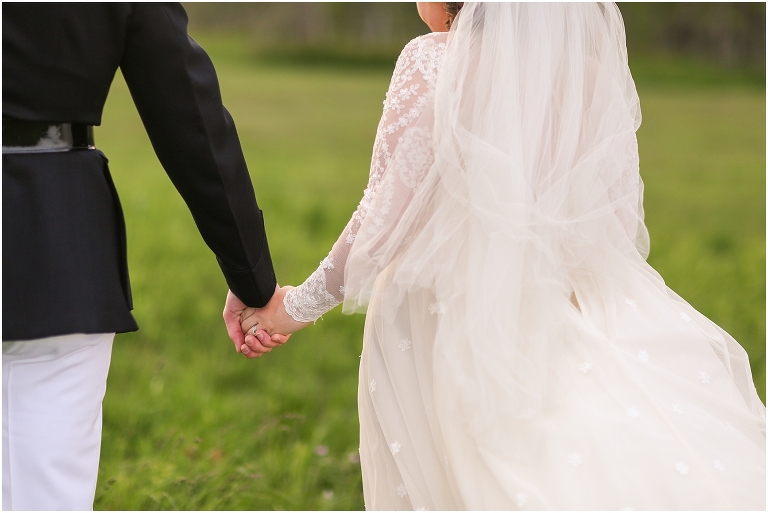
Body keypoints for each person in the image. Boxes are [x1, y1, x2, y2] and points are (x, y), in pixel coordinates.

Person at [238, 2, 766, 509]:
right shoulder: (589, 77)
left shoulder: (434, 58)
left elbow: (384, 217)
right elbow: (618, 224)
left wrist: (290, 309)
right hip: (582, 307)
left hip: (448, 319)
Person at [2, 3, 285, 510]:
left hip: (60, 252)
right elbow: (189, 116)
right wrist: (253, 280)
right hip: (58, 244)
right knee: (49, 490)